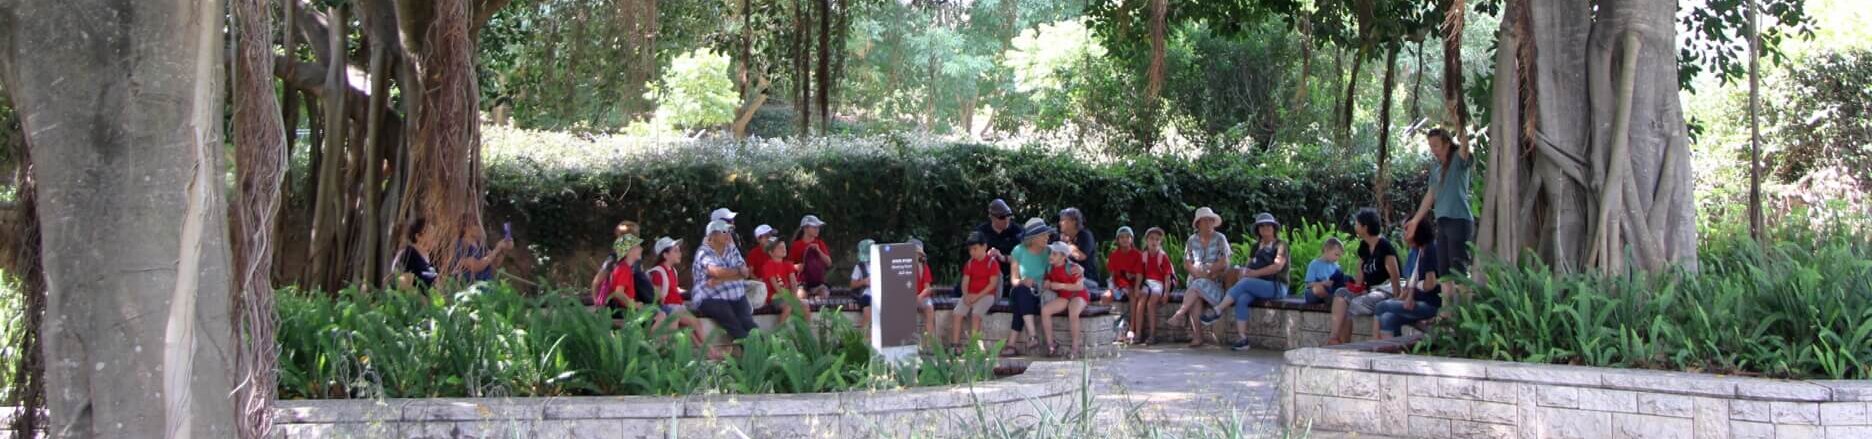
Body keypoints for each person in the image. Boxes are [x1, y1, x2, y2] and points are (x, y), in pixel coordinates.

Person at [1206, 213, 1290, 351]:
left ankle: (1218, 309)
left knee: (1246, 283)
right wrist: (1243, 272)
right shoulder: (1256, 247)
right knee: (1242, 299)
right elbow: (1249, 266)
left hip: (1276, 286)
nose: (1265, 228)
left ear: (1274, 228)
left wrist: (1254, 274)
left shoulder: (1281, 245)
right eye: (1261, 226)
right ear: (1258, 230)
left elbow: (1277, 266)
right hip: (1256, 285)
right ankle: (1243, 339)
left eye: (1268, 225)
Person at [1404, 128, 1473, 294]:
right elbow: (1430, 195)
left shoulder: (1458, 159)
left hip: (1458, 219)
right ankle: (1447, 309)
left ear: (1447, 144)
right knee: (1444, 273)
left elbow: (1465, 144)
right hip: (1442, 222)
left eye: (1436, 145)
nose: (1433, 149)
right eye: (1430, 146)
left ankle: (1466, 308)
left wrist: (1459, 121)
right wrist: (1415, 221)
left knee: (1459, 272)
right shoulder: (1435, 167)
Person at [1329, 208, 1403, 345]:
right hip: (1369, 291)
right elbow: (1361, 270)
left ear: (1365, 227)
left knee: (1354, 304)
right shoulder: (1364, 246)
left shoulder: (1384, 246)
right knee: (1341, 293)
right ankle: (1334, 339)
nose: (1355, 226)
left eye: (1357, 223)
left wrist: (1397, 299)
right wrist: (1358, 288)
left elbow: (1395, 276)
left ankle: (1345, 345)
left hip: (1385, 291)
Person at [1169, 207, 1231, 347]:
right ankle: (1198, 336)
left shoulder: (1220, 238)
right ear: (1198, 224)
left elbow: (1224, 262)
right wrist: (1198, 274)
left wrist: (1208, 272)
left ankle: (1180, 314)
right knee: (1196, 292)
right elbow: (1187, 263)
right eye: (1205, 220)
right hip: (1196, 280)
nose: (1209, 223)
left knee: (1196, 286)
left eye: (1211, 220)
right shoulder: (1192, 240)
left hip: (1215, 282)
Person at [692, 220, 760, 345]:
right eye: (724, 231)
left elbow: (745, 273)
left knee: (750, 324)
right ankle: (752, 351)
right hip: (711, 298)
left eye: (729, 231)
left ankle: (766, 350)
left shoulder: (731, 249)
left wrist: (722, 279)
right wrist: (737, 272)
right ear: (712, 235)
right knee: (734, 324)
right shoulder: (703, 252)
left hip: (737, 296)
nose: (728, 234)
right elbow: (716, 271)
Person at [1376, 220, 1442, 339]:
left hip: (1429, 305)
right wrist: (1409, 297)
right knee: (1387, 319)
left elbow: (1430, 284)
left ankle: (1373, 345)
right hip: (1418, 300)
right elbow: (1412, 279)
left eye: (1406, 230)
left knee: (1381, 306)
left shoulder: (1430, 249)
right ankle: (1394, 349)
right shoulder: (1420, 249)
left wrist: (1417, 286)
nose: (1404, 234)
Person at [1005, 218, 1054, 356]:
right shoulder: (1018, 251)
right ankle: (1032, 335)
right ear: (1033, 238)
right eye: (1043, 235)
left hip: (1042, 292)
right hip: (1022, 290)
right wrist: (1024, 281)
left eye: (1047, 234)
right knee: (1022, 291)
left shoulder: (1050, 251)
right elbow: (1014, 280)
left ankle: (1011, 344)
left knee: (1020, 305)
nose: (1047, 237)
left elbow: (1059, 270)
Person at [646, 236, 706, 349]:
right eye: (675, 251)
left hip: (678, 306)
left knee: (693, 327)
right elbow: (657, 295)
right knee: (694, 324)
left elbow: (673, 289)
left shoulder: (673, 271)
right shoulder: (658, 272)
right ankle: (710, 351)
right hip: (669, 308)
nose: (680, 254)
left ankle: (708, 351)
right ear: (665, 255)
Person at [1038, 242, 1091, 358]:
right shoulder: (1050, 268)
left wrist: (1061, 286)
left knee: (1073, 312)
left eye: (1054, 254)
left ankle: (1075, 348)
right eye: (1050, 253)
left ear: (1063, 257)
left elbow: (1079, 287)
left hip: (1078, 294)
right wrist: (1047, 282)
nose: (1050, 256)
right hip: (1064, 297)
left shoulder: (1073, 268)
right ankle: (1051, 344)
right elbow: (1047, 279)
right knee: (1045, 311)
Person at [949, 231, 1000, 350]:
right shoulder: (970, 264)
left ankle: (973, 347)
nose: (972, 252)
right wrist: (966, 295)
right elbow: (965, 282)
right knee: (957, 313)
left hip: (987, 295)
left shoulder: (992, 263)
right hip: (970, 295)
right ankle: (955, 345)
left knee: (976, 315)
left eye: (975, 249)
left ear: (984, 247)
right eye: (970, 250)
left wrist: (977, 296)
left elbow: (992, 284)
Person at [974, 199, 1023, 296]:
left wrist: (1003, 257)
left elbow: (1024, 258)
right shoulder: (981, 232)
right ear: (992, 217)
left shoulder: (1017, 231)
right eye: (1002, 217)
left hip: (1010, 275)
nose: (1006, 219)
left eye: (1008, 215)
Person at [1136, 227, 1176, 345]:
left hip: (1159, 284)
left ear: (1160, 242)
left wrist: (1166, 294)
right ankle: (1138, 333)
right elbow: (1139, 274)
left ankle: (1152, 334)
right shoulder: (1143, 255)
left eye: (1157, 239)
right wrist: (1137, 287)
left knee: (1151, 304)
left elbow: (1167, 278)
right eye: (1151, 238)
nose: (1154, 242)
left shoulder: (1163, 256)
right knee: (1141, 302)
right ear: (1147, 240)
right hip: (1147, 283)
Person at [1106, 226, 1146, 342]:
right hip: (1119, 283)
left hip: (1134, 283)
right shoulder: (1113, 255)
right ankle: (1109, 330)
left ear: (1131, 239)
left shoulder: (1138, 254)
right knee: (1106, 297)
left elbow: (1139, 273)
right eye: (1122, 237)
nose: (1124, 239)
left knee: (1134, 295)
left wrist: (1137, 286)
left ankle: (1132, 328)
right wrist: (1112, 288)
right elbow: (1112, 274)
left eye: (1127, 237)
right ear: (1117, 240)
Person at [590, 221, 640, 308]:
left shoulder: (635, 259)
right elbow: (596, 282)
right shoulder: (613, 259)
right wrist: (597, 304)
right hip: (615, 305)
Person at [1053, 207, 1103, 295]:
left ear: (1073, 222)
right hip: (1069, 279)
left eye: (1063, 220)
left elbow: (1080, 256)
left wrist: (1067, 244)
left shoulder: (1085, 235)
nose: (1060, 223)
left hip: (1088, 280)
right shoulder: (1061, 237)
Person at [452, 213, 513, 282]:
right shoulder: (461, 245)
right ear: (465, 228)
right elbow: (477, 266)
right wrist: (497, 248)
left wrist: (504, 249)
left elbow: (495, 264)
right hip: (471, 286)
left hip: (487, 285)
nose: (480, 227)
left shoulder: (481, 245)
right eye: (476, 224)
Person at [760, 239, 809, 324]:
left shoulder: (788, 264)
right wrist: (790, 300)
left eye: (784, 247)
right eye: (780, 248)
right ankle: (779, 329)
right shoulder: (768, 265)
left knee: (805, 305)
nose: (784, 249)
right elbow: (776, 286)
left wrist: (794, 297)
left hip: (788, 296)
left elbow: (794, 283)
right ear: (771, 252)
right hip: (774, 297)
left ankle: (805, 329)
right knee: (788, 307)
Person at [601, 233, 652, 313]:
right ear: (629, 251)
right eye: (638, 246)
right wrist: (634, 305)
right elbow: (619, 293)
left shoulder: (623, 267)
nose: (641, 249)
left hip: (620, 308)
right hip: (622, 311)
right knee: (658, 313)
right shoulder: (624, 269)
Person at [790, 215, 834, 299]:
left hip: (818, 282)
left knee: (824, 294)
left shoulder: (820, 243)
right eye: (814, 227)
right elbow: (788, 266)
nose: (817, 230)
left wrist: (819, 251)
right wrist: (796, 267)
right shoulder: (796, 245)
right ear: (805, 228)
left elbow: (829, 263)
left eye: (818, 227)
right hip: (801, 282)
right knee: (801, 296)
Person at [1301, 237, 1354, 305]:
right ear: (1326, 250)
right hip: (1314, 294)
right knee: (1318, 288)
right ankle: (1330, 299)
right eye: (1336, 254)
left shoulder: (1336, 266)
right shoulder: (1314, 264)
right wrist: (1323, 283)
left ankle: (1331, 299)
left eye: (1339, 256)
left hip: (1330, 291)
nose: (1337, 258)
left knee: (1346, 279)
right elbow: (1308, 284)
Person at [398, 217, 439, 291]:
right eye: (430, 234)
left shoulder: (430, 256)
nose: (434, 238)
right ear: (418, 237)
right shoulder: (408, 255)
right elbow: (404, 286)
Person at [910, 238, 938, 338]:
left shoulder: (924, 267)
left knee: (929, 308)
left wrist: (919, 297)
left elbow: (927, 288)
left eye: (917, 253)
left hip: (922, 297)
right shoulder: (902, 267)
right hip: (907, 298)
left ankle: (929, 341)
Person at [849, 239, 877, 328]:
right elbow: (852, 285)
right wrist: (863, 282)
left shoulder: (882, 263)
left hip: (880, 294)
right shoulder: (859, 266)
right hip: (866, 294)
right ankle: (863, 335)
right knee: (868, 311)